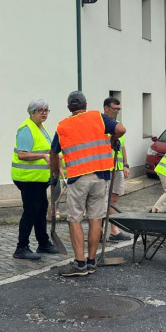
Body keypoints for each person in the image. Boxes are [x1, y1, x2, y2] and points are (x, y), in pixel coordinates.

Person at [50, 91, 125, 277]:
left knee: (75, 219)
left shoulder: (63, 126)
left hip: (78, 178)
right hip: (101, 175)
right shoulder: (97, 117)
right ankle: (91, 261)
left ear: (69, 108)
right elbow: (121, 129)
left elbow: (53, 153)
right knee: (95, 218)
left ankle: (80, 264)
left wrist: (54, 172)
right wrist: (113, 139)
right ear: (85, 104)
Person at [10, 99, 59, 260]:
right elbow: (22, 154)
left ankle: (43, 243)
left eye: (46, 110)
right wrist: (43, 156)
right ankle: (21, 247)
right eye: (40, 110)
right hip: (27, 179)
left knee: (41, 209)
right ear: (32, 113)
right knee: (31, 211)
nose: (44, 113)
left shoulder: (40, 128)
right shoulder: (26, 129)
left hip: (38, 179)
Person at [103, 97, 131, 241]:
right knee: (101, 200)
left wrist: (126, 164)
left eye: (119, 109)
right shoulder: (100, 125)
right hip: (104, 168)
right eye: (115, 109)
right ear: (106, 108)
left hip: (117, 168)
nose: (117, 112)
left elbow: (122, 146)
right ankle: (104, 231)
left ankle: (113, 231)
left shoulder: (119, 126)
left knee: (113, 199)